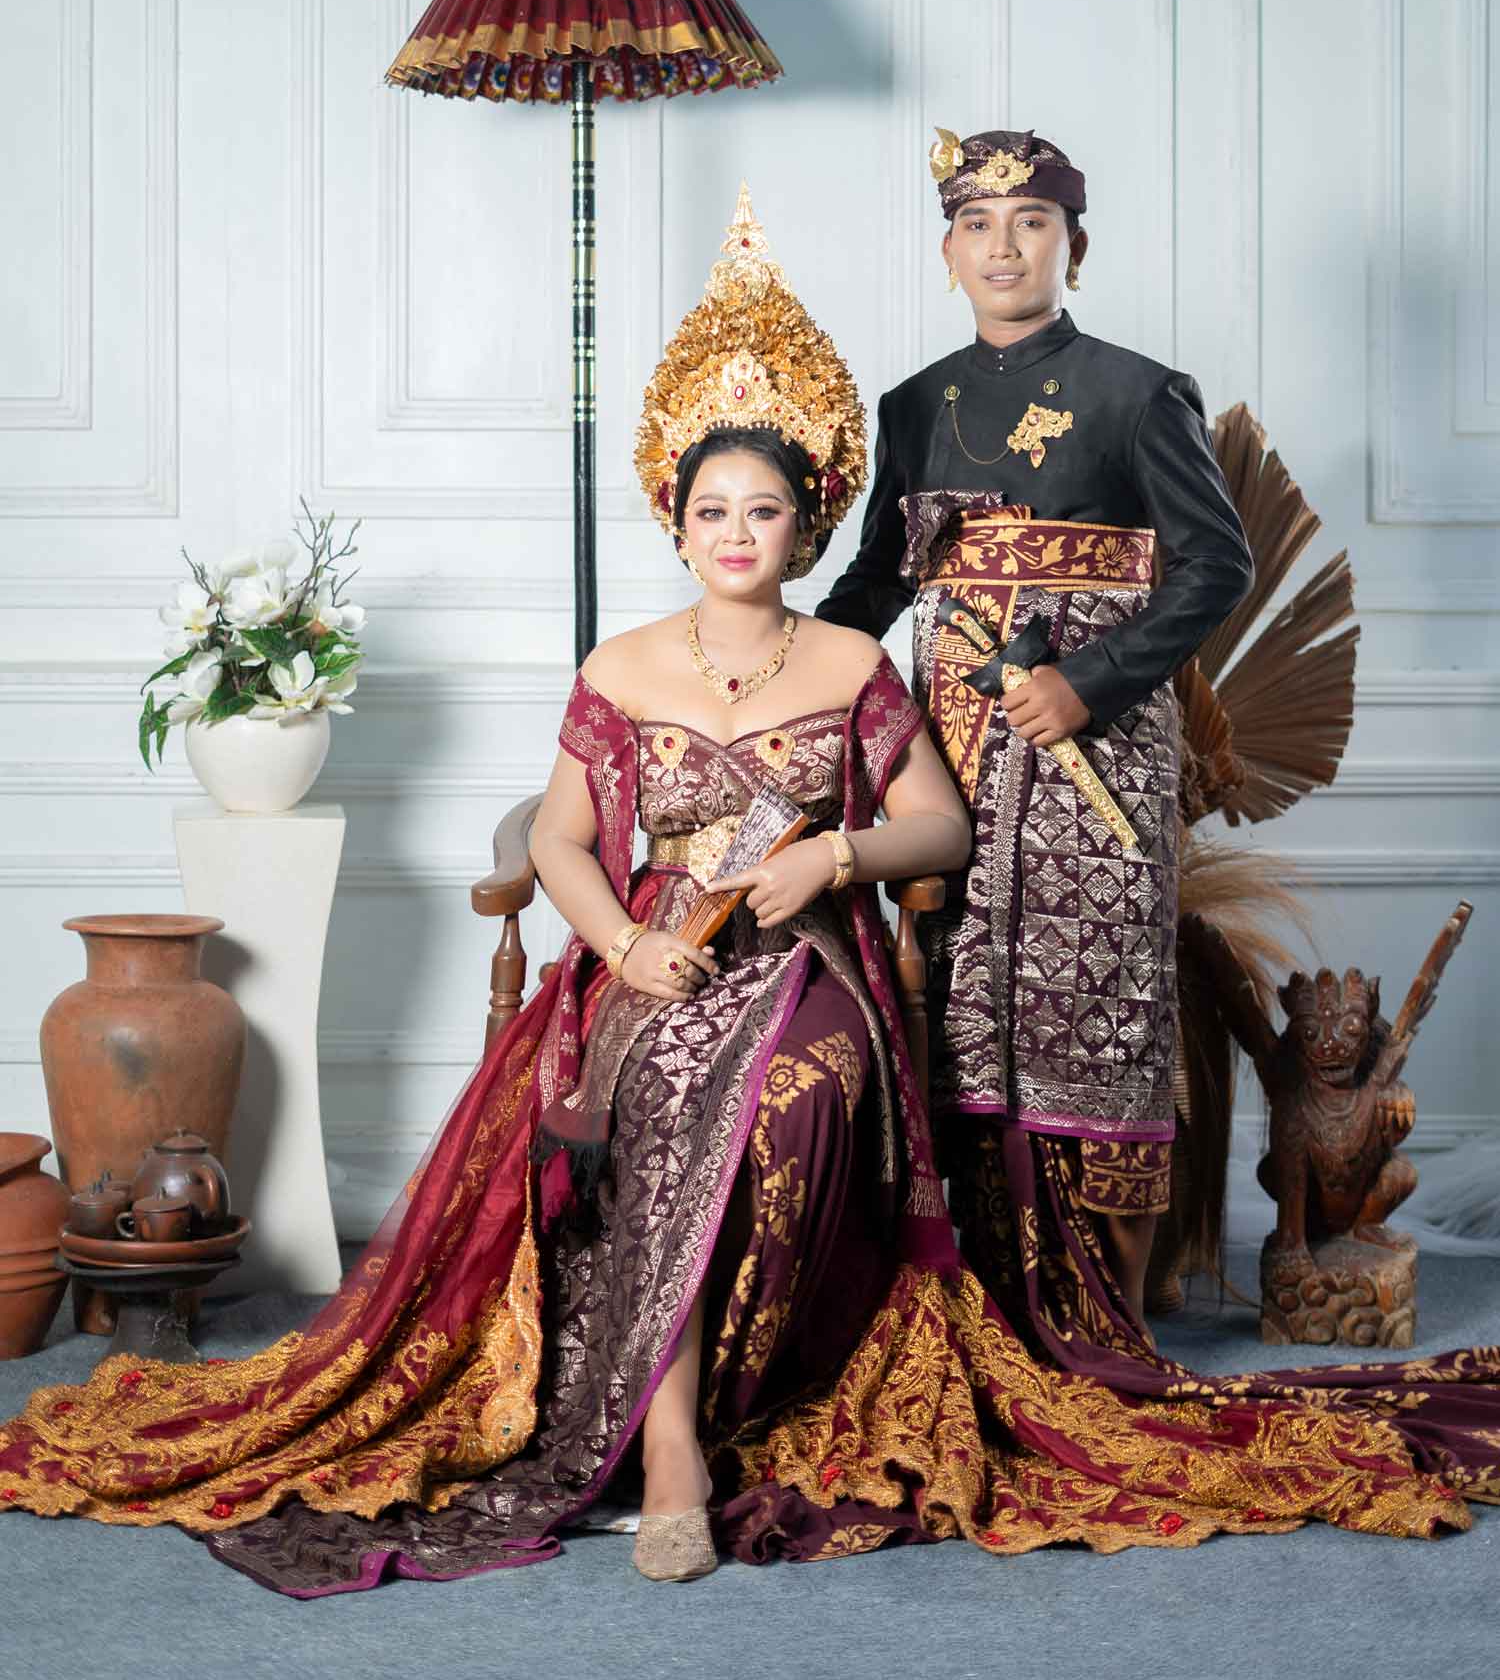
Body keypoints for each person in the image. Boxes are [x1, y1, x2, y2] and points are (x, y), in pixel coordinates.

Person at [5, 189, 1500, 1591]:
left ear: (807, 526)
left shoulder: (860, 655)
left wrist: (829, 854)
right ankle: (667, 1435)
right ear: (677, 521)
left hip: (811, 955)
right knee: (657, 1096)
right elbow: (563, 836)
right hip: (650, 954)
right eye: (712, 510)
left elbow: (939, 826)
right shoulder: (621, 664)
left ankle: (757, 1385)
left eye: (766, 512)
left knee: (800, 1091)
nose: (737, 533)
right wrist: (616, 943)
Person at [817, 127, 1255, 1332]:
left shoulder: (1139, 392)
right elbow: (876, 585)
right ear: (946, 250)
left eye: (1031, 223)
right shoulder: (913, 408)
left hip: (1094, 755)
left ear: (1074, 244)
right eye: (977, 224)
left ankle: (1109, 1306)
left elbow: (1217, 564)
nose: (1003, 247)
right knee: (953, 992)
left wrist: (1090, 682)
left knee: (1099, 1000)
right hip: (952, 752)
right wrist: (769, 660)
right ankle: (976, 1295)